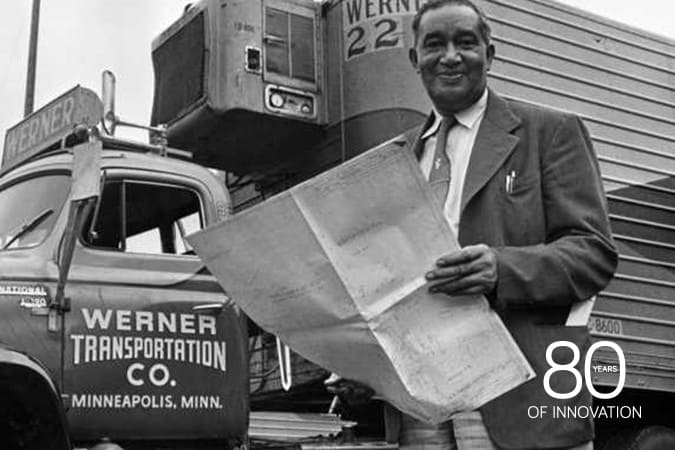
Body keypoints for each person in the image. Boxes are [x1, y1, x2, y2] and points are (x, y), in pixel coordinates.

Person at [331, 0, 617, 449]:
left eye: (465, 42)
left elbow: (593, 254)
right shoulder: (395, 160)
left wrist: (501, 269)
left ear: (490, 54)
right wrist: (365, 365)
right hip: (422, 400)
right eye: (434, 45)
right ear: (415, 59)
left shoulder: (550, 132)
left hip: (520, 395)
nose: (450, 56)